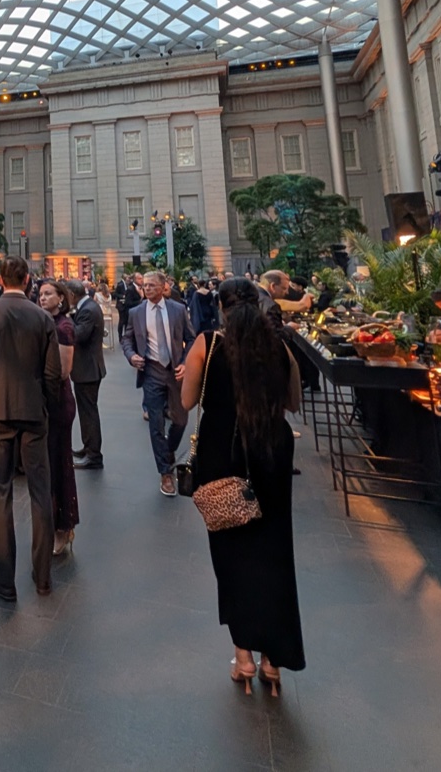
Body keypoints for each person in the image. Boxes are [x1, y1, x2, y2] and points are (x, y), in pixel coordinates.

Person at [178, 278, 304, 694]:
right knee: (274, 552)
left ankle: (244, 657)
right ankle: (273, 661)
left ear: (221, 307)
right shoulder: (279, 346)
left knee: (231, 556)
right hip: (270, 453)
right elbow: (293, 402)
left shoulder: (208, 345)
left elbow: (186, 401)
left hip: (223, 457)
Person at [0, 257, 63, 602]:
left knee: (0, 491)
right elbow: (53, 374)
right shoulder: (43, 318)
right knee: (40, 491)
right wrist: (45, 403)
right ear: (28, 279)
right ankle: (42, 577)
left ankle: (4, 578)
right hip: (34, 411)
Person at [119, 271, 196, 497]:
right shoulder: (136, 312)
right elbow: (127, 339)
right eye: (145, 286)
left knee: (181, 420)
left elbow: (191, 338)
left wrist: (185, 361)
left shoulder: (178, 310)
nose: (147, 289)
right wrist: (131, 355)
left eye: (152, 285)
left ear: (163, 287)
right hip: (151, 371)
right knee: (156, 424)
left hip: (175, 372)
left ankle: (168, 450)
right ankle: (165, 473)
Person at [37, 280, 80, 558]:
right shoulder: (45, 323)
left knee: (59, 465)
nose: (42, 298)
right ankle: (52, 523)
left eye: (48, 293)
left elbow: (63, 371)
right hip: (43, 402)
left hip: (58, 404)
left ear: (61, 298)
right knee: (47, 466)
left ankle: (64, 527)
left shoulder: (64, 327)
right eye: (40, 294)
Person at [70, 280, 107, 470]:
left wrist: (65, 320)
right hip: (87, 368)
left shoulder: (88, 310)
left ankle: (94, 455)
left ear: (72, 294)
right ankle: (88, 447)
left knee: (89, 412)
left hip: (88, 370)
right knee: (86, 412)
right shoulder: (87, 307)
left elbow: (78, 335)